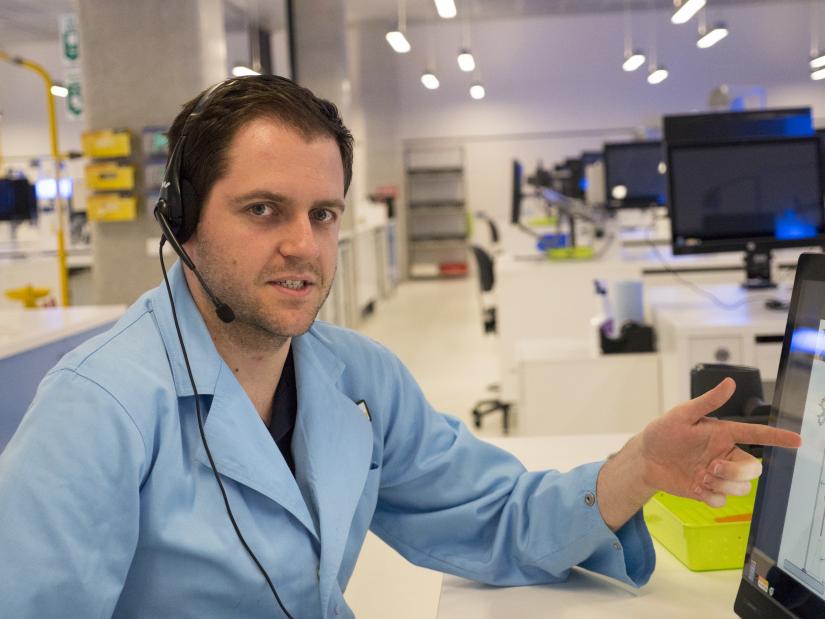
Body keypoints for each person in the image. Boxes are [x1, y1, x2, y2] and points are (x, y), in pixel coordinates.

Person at [0, 76, 800, 618]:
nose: (303, 246)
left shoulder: (353, 376)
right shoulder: (95, 410)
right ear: (181, 221)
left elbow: (493, 516)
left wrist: (635, 468)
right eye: (263, 210)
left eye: (321, 214)